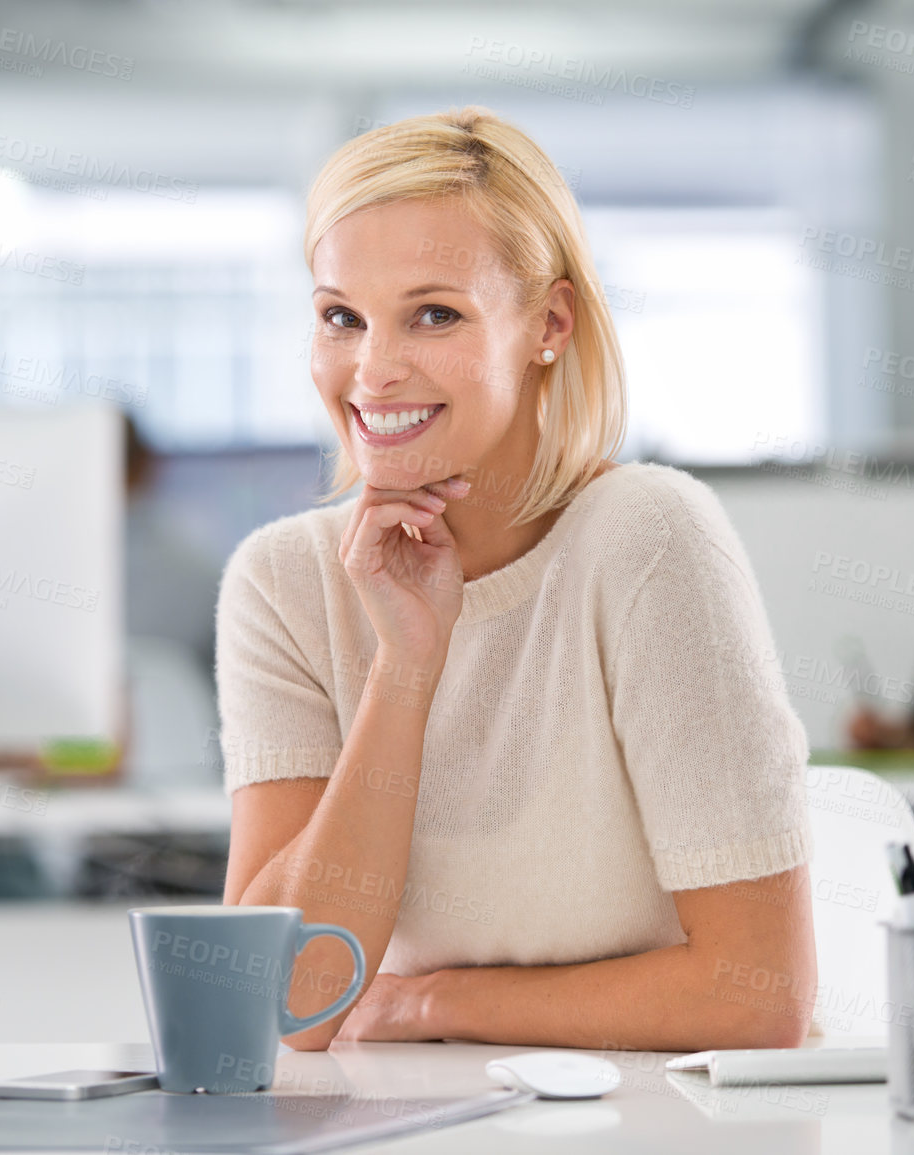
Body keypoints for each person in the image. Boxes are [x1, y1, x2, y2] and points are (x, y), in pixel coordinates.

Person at [216, 107, 816, 1052]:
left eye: (434, 313)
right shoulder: (284, 582)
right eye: (342, 317)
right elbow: (283, 999)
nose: (371, 371)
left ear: (548, 323)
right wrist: (404, 671)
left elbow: (757, 996)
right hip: (411, 1121)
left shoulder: (648, 539)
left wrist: (429, 1001)